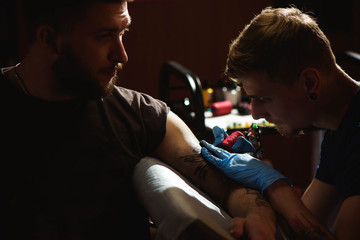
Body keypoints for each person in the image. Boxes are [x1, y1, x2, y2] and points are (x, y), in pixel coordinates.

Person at [0, 0, 280, 239]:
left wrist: (257, 213)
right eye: (103, 36)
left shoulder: (137, 114)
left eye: (123, 33)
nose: (121, 54)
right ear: (49, 39)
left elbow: (225, 182)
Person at [201, 6, 360, 240]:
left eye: (264, 99)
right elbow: (304, 225)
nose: (255, 114)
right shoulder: (341, 127)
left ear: (309, 83)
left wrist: (275, 185)